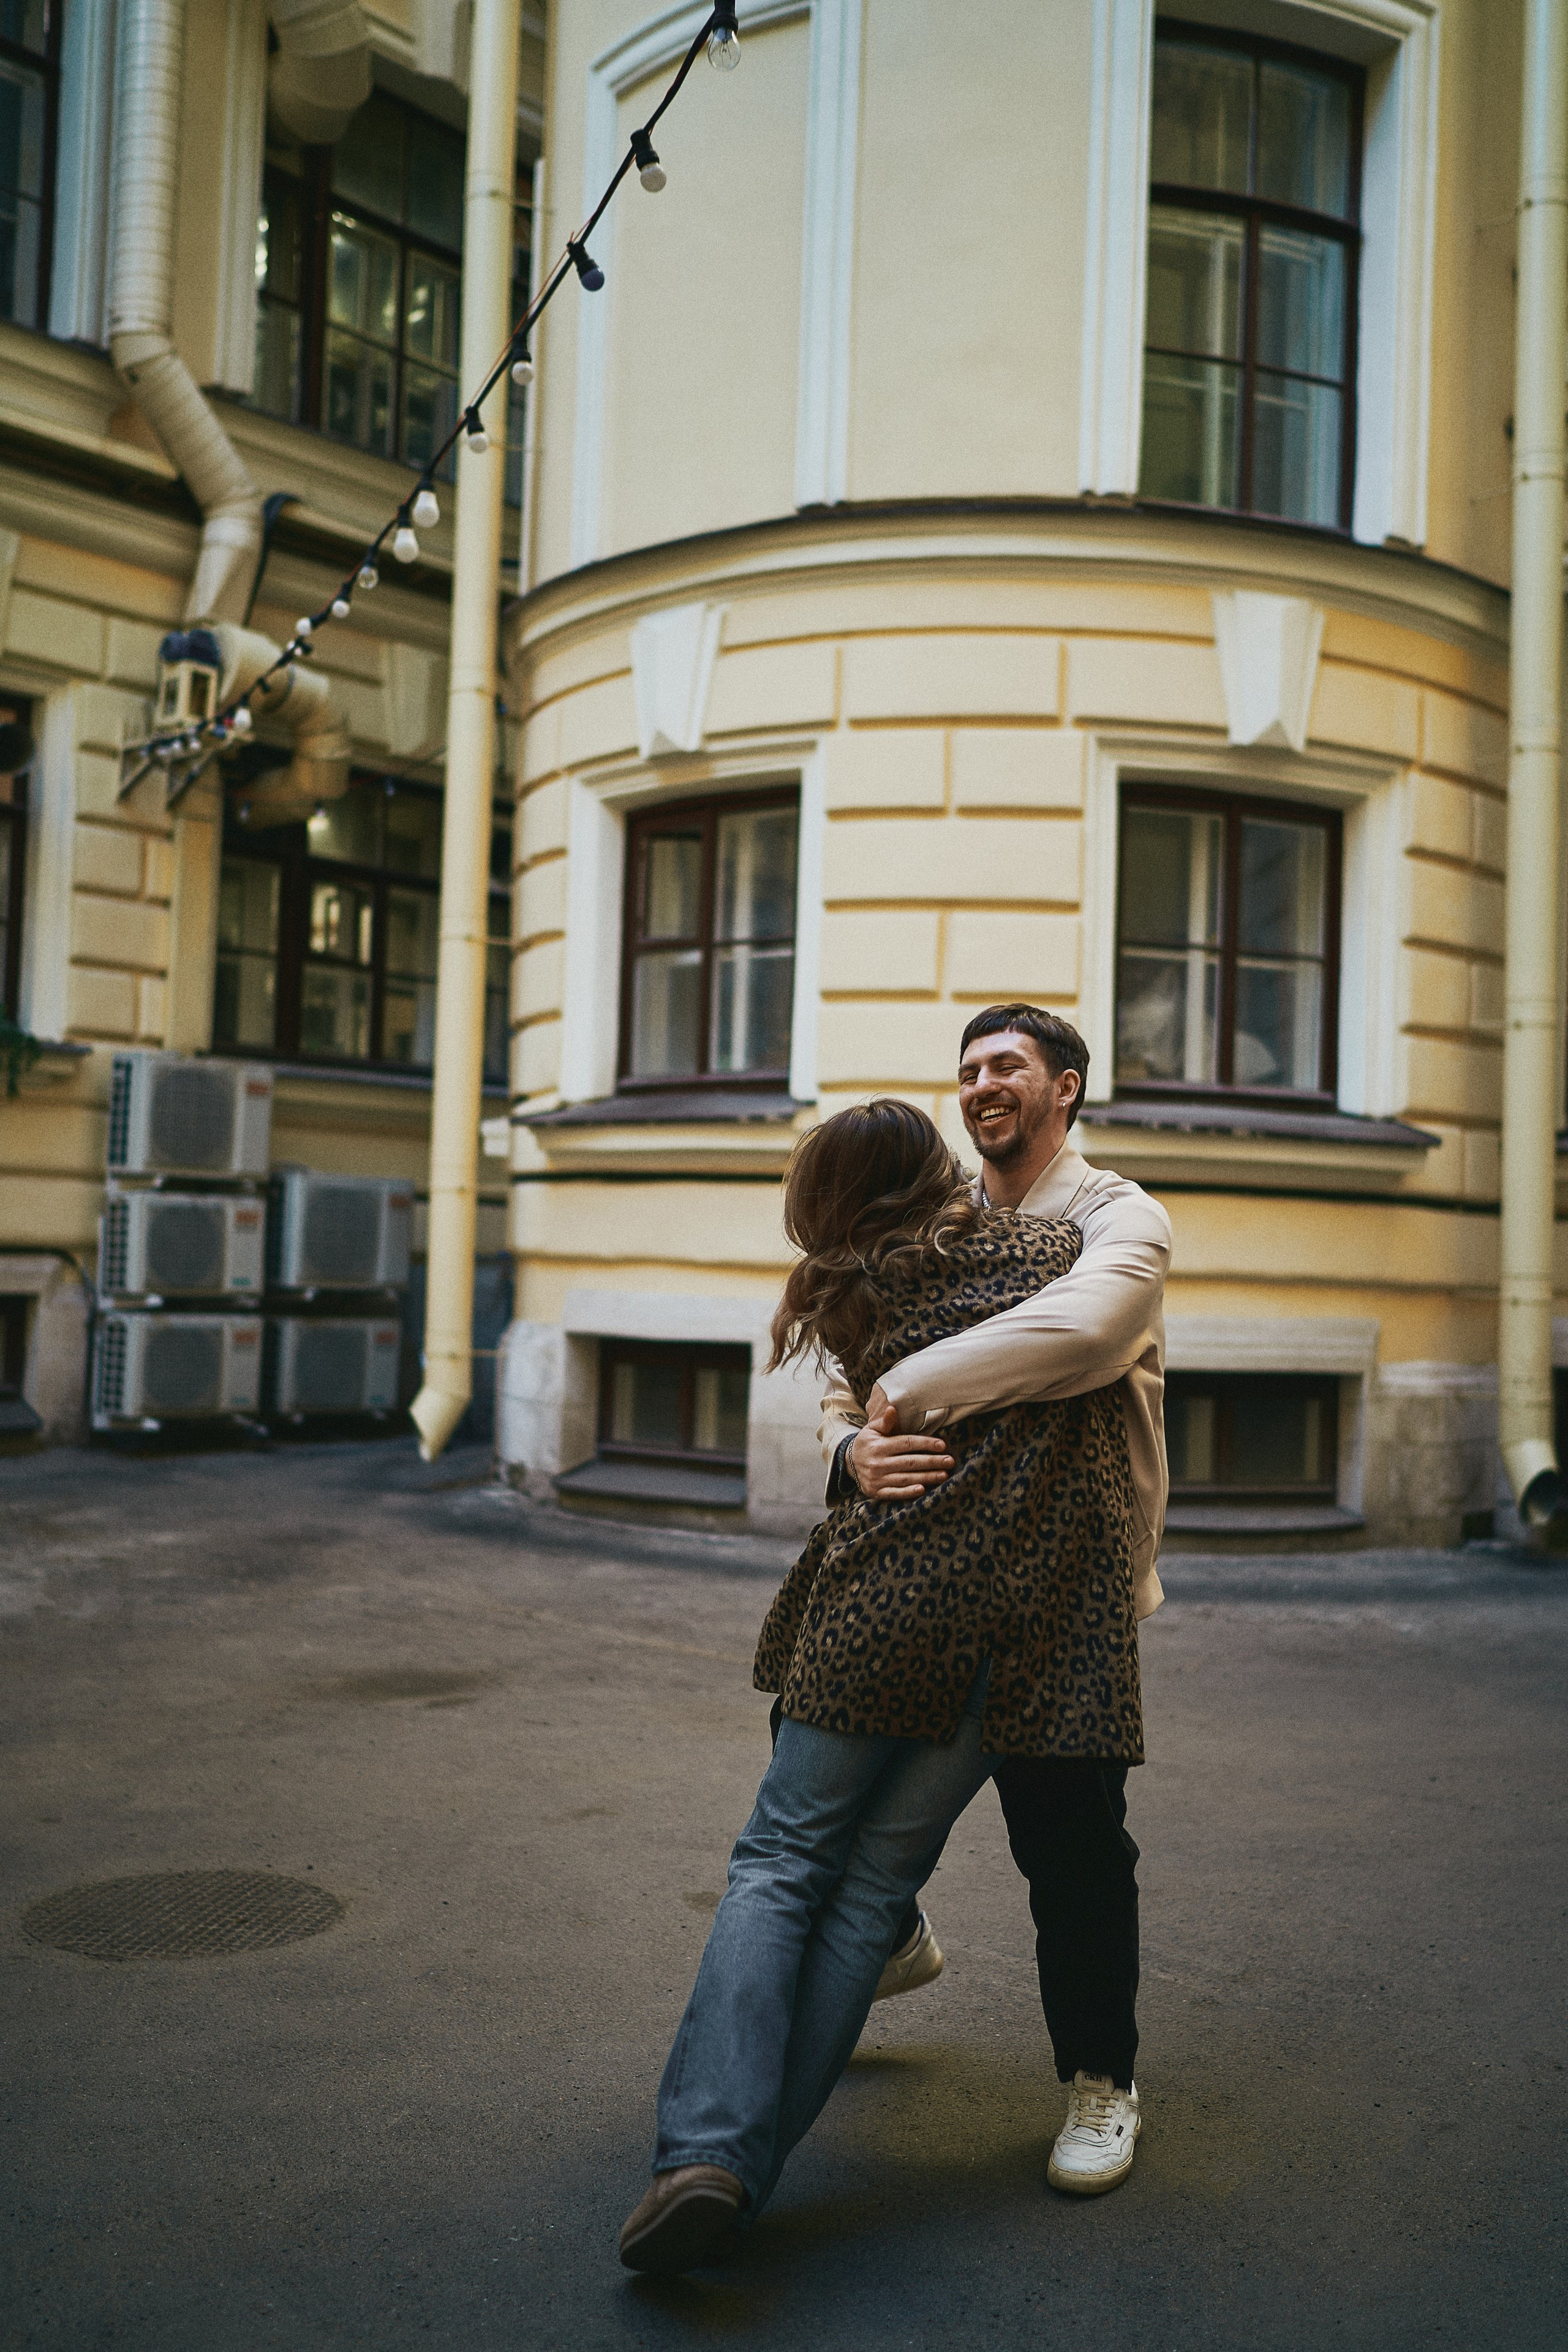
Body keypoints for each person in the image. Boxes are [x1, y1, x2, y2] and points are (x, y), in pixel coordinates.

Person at [618, 1098, 1144, 2276]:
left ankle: (708, 2155)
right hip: (1021, 1635)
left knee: (779, 1863)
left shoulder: (850, 1302)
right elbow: (1103, 1318)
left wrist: (870, 1426)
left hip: (883, 1615)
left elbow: (863, 1407)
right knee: (867, 1896)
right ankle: (740, 2178)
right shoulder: (1046, 1252)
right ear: (934, 1173)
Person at [820, 1005, 1169, 2196]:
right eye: (966, 1070)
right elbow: (842, 1366)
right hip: (920, 1574)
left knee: (1067, 1841)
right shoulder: (932, 1221)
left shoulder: (1118, 1216)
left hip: (1064, 1591)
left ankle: (1100, 2084)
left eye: (1005, 1065)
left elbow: (1087, 1329)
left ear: (1062, 1087)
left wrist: (903, 1392)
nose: (979, 1084)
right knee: (813, 1754)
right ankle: (896, 1935)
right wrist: (850, 1453)